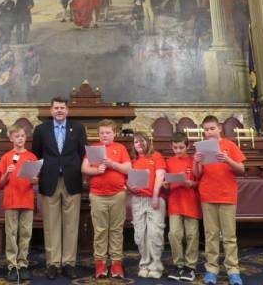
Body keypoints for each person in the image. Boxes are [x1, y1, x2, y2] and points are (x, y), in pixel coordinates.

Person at [32, 97, 87, 280]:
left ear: (67, 110)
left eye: (62, 107)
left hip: (72, 180)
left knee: (71, 224)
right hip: (49, 181)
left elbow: (82, 153)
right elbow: (36, 155)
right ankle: (53, 263)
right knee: (51, 224)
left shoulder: (78, 129)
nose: (59, 110)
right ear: (51, 110)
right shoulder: (41, 130)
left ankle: (69, 262)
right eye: (56, 108)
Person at [194, 115, 246, 285]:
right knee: (211, 235)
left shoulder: (230, 146)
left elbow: (241, 170)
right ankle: (211, 269)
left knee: (229, 236)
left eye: (211, 129)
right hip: (208, 195)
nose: (208, 132)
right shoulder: (201, 148)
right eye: (206, 130)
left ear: (219, 128)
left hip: (227, 195)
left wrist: (227, 159)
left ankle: (233, 270)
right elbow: (197, 175)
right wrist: (196, 162)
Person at [81, 119, 131, 279]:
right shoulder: (93, 148)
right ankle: (100, 263)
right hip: (97, 195)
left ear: (114, 133)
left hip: (117, 194)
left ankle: (116, 263)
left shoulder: (120, 148)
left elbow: (128, 168)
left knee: (116, 230)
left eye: (108, 132)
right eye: (102, 132)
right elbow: (84, 168)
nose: (104, 135)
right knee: (100, 230)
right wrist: (96, 171)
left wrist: (112, 164)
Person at [0, 124, 39, 281]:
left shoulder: (32, 157)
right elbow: (1, 183)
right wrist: (7, 174)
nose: (20, 139)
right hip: (11, 200)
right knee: (11, 233)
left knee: (25, 233)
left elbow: (35, 179)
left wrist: (35, 179)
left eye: (22, 136)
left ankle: (22, 264)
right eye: (17, 136)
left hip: (27, 199)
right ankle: (12, 265)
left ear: (25, 137)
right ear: (11, 138)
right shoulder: (6, 157)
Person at [127, 132, 166, 279]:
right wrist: (131, 187)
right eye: (136, 142)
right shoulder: (133, 160)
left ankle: (155, 265)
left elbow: (160, 176)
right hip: (138, 200)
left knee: (154, 233)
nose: (139, 145)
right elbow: (127, 180)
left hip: (154, 199)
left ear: (148, 142)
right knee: (140, 234)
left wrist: (155, 196)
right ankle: (144, 264)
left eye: (142, 141)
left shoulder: (156, 156)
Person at [166, 132, 201, 283]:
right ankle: (178, 264)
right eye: (175, 148)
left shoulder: (194, 160)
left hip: (191, 202)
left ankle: (190, 266)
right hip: (175, 202)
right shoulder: (169, 161)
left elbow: (199, 181)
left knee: (192, 235)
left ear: (187, 146)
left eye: (181, 147)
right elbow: (166, 181)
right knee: (174, 234)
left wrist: (192, 183)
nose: (178, 150)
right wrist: (166, 184)